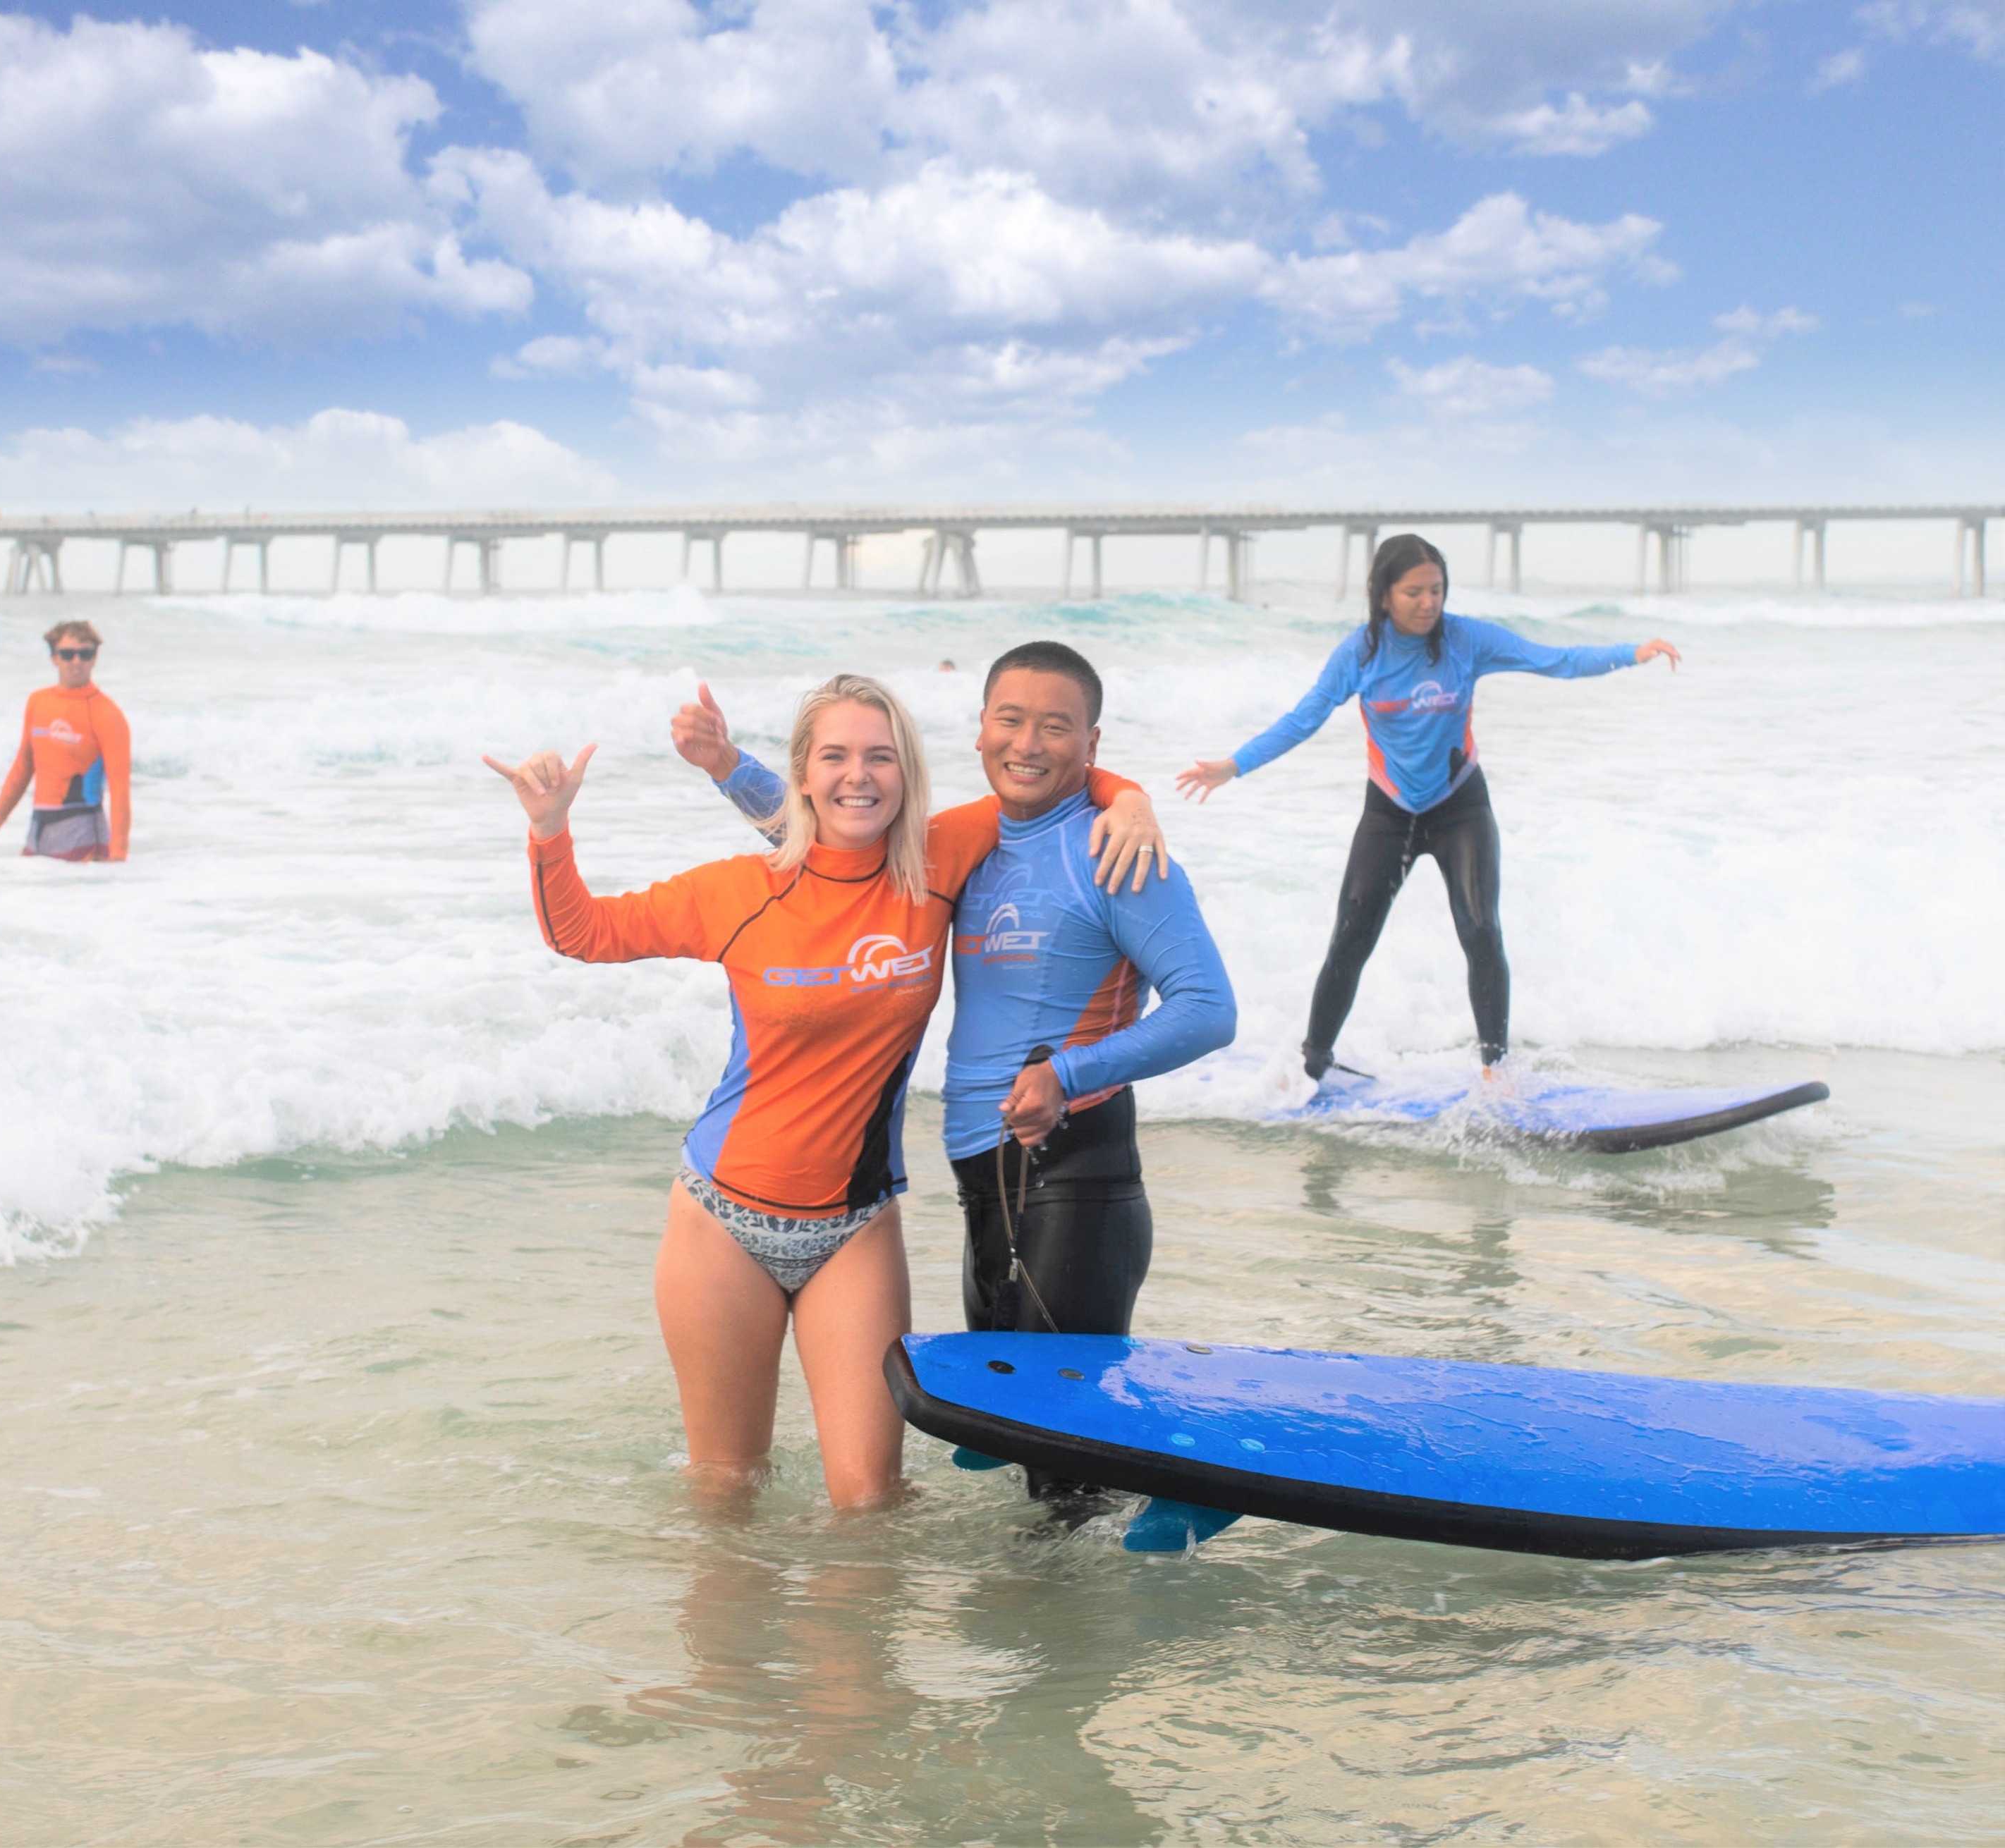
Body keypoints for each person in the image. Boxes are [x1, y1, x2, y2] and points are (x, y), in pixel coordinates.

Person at [486, 675, 1160, 1512]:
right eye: (835, 756)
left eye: (881, 757)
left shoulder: (939, 861)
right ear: (802, 773)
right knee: (727, 1491)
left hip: (856, 1227)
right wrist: (549, 829)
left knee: (872, 1501)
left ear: (907, 774)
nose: (859, 775)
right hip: (721, 1223)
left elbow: (1043, 771)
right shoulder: (738, 890)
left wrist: (1130, 801)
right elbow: (581, 933)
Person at [676, 643, 1237, 1524]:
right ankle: (1040, 1635)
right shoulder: (956, 848)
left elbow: (1209, 1009)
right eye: (1010, 719)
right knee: (1022, 1439)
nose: (1029, 742)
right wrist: (722, 766)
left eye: (1057, 727)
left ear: (1091, 742)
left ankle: (1129, 1585)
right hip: (990, 1186)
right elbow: (825, 826)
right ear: (978, 730)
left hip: (1077, 1172)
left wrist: (1068, 1071)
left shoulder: (1117, 851)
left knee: (1065, 1470)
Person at [1178, 533, 1678, 1078]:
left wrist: (1632, 653)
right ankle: (1314, 1064)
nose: (1428, 603)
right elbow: (1305, 718)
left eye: (1436, 590)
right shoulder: (1361, 654)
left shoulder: (1468, 640)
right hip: (1389, 812)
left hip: (1460, 806)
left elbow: (1554, 660)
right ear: (1384, 594)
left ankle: (1496, 1070)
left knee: (1481, 928)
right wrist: (1235, 765)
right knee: (1351, 937)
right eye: (1414, 591)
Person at [0, 620, 132, 863]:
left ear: (95, 658)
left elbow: (120, 789)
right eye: (68, 654)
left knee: (80, 902)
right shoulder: (38, 702)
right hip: (39, 831)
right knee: (29, 900)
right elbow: (22, 769)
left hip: (83, 833)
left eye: (85, 654)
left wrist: (118, 854)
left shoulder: (106, 714)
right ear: (54, 658)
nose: (77, 662)